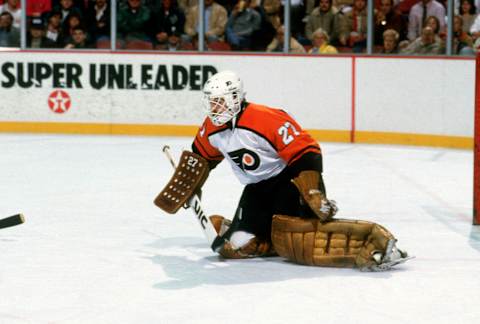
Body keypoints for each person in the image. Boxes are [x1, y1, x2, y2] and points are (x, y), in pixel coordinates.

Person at [155, 70, 411, 271]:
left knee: (299, 239)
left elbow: (306, 150)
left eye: (220, 102)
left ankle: (377, 245)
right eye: (211, 102)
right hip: (256, 190)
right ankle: (261, 235)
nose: (214, 108)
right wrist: (188, 183)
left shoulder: (265, 118)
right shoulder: (211, 128)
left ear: (235, 98)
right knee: (235, 248)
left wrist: (312, 190)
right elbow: (201, 158)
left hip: (288, 181)